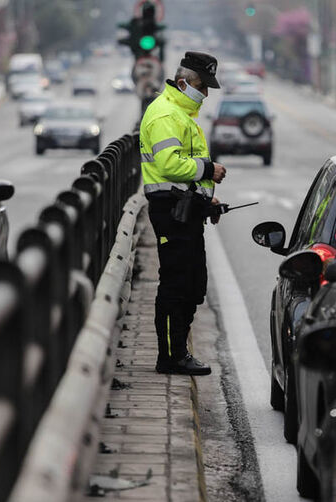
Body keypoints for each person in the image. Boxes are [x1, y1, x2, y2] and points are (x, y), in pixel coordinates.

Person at [139, 51, 226, 376]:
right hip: (170, 213)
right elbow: (169, 166)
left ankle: (179, 352)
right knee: (176, 283)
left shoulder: (181, 115)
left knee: (193, 284)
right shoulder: (165, 115)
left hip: (185, 212)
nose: (205, 95)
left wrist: (207, 204)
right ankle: (172, 357)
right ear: (182, 83)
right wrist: (209, 168)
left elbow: (184, 179)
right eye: (202, 87)